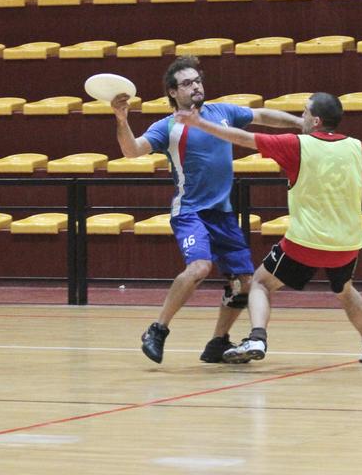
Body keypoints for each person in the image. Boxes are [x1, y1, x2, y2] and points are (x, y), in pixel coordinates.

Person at [174, 92, 362, 365]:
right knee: (345, 290)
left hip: (304, 244)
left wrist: (200, 124)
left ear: (316, 120)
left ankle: (257, 337)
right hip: (346, 246)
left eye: (304, 112)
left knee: (259, 283)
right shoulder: (357, 148)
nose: (300, 117)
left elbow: (244, 138)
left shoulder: (297, 145)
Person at [111, 56, 303, 364]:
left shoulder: (222, 112)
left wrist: (298, 123)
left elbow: (261, 115)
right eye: (187, 83)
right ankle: (157, 330)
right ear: (173, 92)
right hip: (190, 212)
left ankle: (217, 342)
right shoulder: (167, 127)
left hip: (223, 214)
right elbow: (132, 150)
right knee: (200, 267)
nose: (196, 86)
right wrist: (122, 120)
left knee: (245, 283)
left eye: (197, 80)